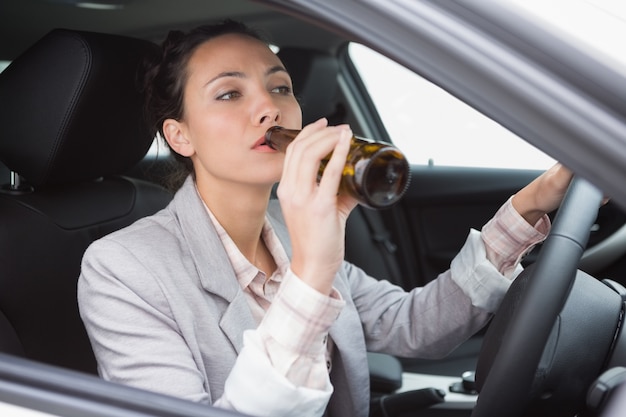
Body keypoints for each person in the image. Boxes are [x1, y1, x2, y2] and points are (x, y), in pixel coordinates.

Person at [77, 20, 574, 417]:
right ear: (180, 136)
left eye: (281, 88)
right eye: (229, 94)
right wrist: (312, 274)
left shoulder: (293, 226)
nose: (269, 109)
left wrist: (534, 201)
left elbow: (416, 326)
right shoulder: (123, 269)